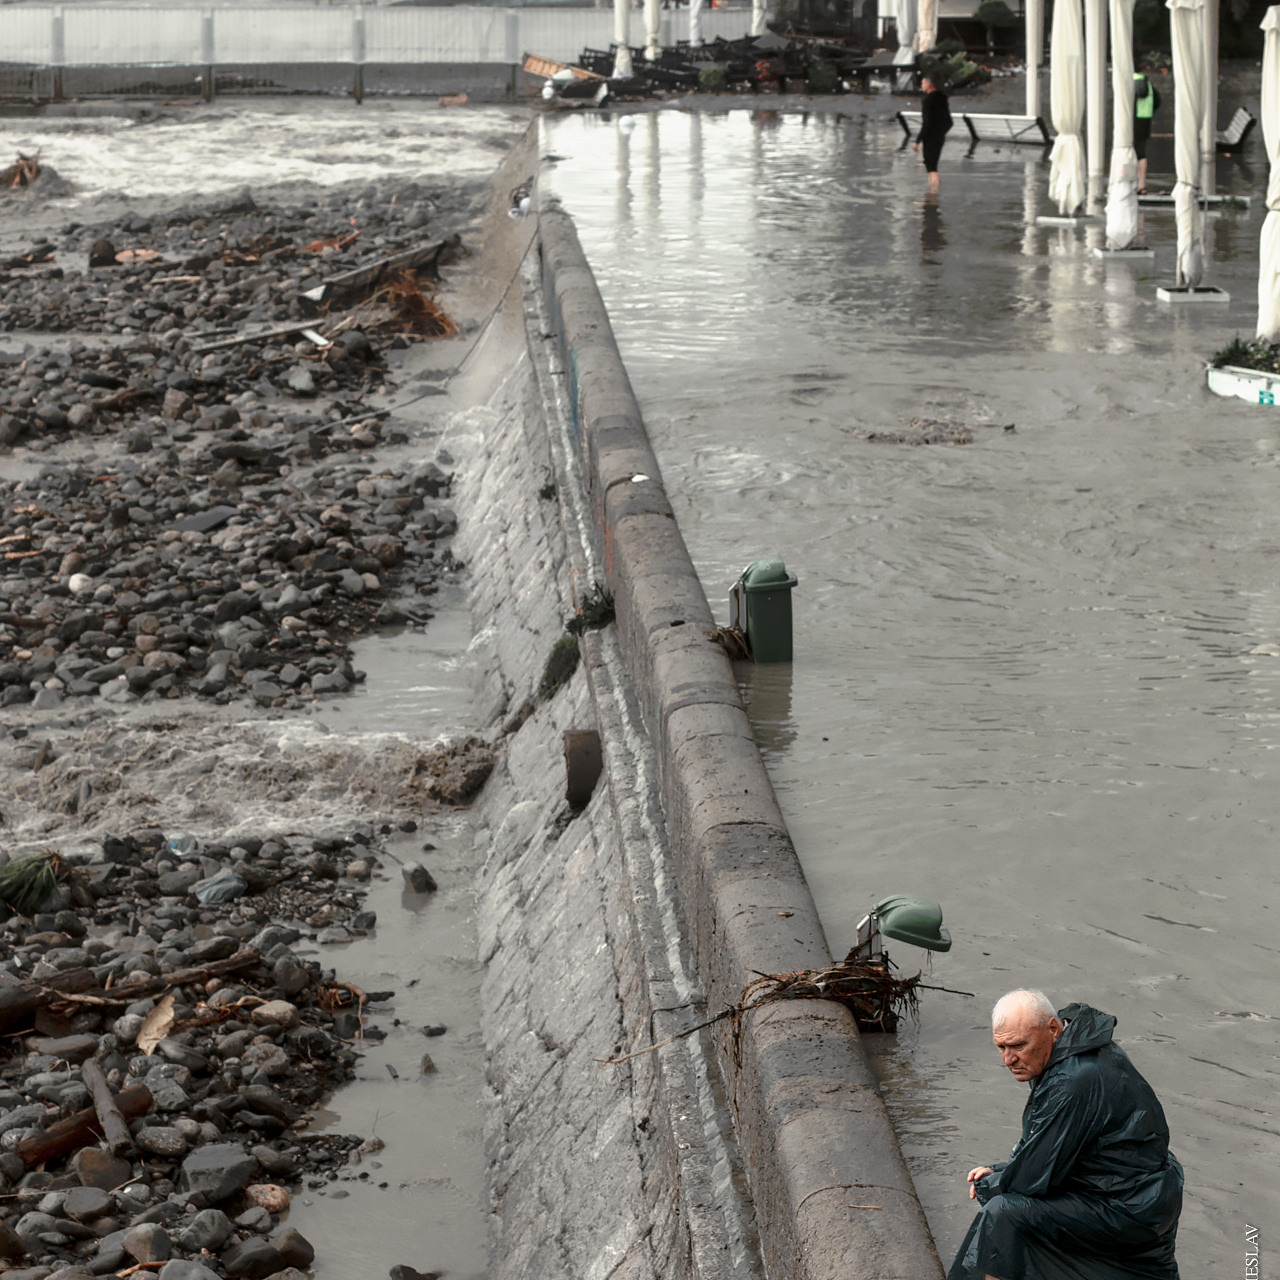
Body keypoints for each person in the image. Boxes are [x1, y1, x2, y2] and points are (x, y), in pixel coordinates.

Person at [949, 990, 1183, 1280]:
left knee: (1002, 1215)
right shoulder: (1082, 1051)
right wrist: (1002, 1171)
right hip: (1140, 1194)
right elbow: (1053, 1151)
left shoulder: (1072, 1081)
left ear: (1053, 1029)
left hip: (1129, 1206)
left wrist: (992, 1183)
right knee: (1004, 1212)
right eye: (1001, 1047)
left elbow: (1030, 1180)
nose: (1009, 1059)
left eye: (1019, 1045)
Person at [914, 74, 953, 194]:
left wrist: (918, 140)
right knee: (933, 165)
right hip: (940, 136)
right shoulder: (943, 98)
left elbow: (927, 123)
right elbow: (949, 122)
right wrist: (941, 132)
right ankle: (931, 193)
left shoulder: (927, 100)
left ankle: (933, 195)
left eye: (923, 84)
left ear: (929, 84)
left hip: (930, 136)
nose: (922, 86)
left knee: (931, 168)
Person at [1133, 71, 1161, 195]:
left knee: (1129, 150)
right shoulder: (1147, 82)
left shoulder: (1128, 80)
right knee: (1141, 152)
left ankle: (1128, 183)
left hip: (1131, 120)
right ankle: (1142, 185)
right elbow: (1157, 101)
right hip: (1144, 120)